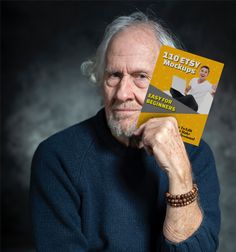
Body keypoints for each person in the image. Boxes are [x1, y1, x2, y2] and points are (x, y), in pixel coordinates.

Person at [30, 12, 220, 251]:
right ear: (101, 79)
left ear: (167, 82)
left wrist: (179, 173)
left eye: (140, 77)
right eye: (114, 76)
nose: (122, 94)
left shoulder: (197, 154)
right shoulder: (57, 156)